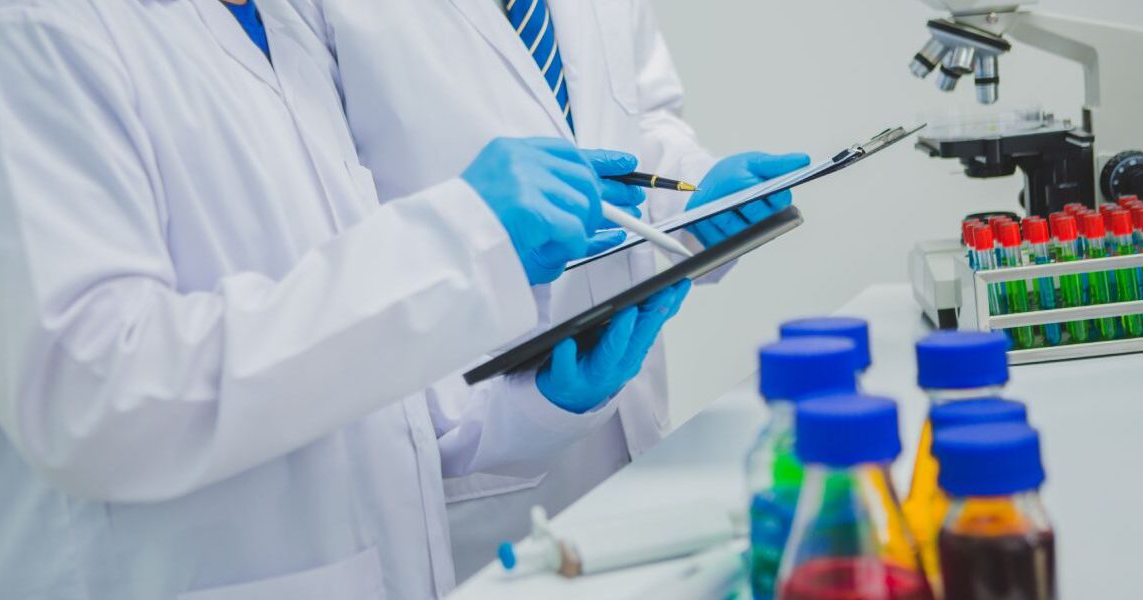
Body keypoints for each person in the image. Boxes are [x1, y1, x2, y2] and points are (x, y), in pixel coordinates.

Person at [0, 0, 687, 598]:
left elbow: (331, 346)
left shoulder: (279, 28)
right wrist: (462, 240)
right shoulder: (21, 26)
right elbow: (93, 394)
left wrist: (521, 412)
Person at [264, 0, 812, 577]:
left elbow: (640, 115)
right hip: (473, 481)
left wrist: (693, 199)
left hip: (636, 445)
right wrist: (520, 404)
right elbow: (322, 231)